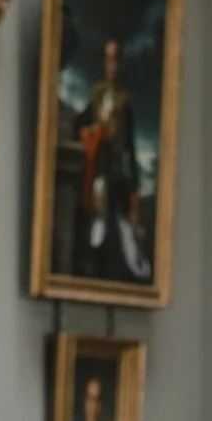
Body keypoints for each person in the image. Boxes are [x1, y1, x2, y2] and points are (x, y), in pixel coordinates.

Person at [74, 38, 151, 285]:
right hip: (97, 172)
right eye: (108, 59)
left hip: (117, 175)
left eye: (116, 59)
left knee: (120, 230)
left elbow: (130, 146)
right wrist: (91, 135)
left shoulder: (123, 102)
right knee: (96, 227)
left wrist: (135, 187)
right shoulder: (96, 97)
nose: (112, 66)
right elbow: (80, 125)